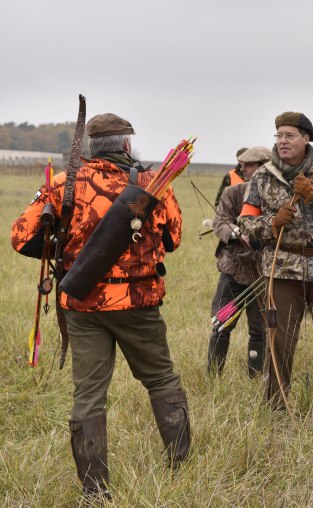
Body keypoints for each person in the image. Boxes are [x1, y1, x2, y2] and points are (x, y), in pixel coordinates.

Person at [11, 113, 189, 501]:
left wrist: (67, 252)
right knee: (161, 380)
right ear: (126, 145)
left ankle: (94, 491)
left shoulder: (63, 183)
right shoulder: (153, 183)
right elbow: (173, 238)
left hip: (83, 303)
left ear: (92, 147)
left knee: (88, 396)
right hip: (139, 302)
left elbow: (21, 236)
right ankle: (181, 469)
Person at [237, 111, 313, 409]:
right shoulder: (263, 176)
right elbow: (245, 223)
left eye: (289, 135)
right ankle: (276, 409)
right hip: (281, 271)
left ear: (306, 138)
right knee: (278, 344)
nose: (282, 141)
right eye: (278, 135)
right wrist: (272, 223)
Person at [207, 146, 271, 377]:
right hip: (232, 271)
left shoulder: (277, 196)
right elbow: (219, 221)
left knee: (259, 329)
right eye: (241, 164)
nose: (241, 168)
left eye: (247, 165)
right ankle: (213, 377)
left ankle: (255, 377)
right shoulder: (232, 192)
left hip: (262, 273)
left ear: (263, 167)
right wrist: (236, 232)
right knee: (221, 324)